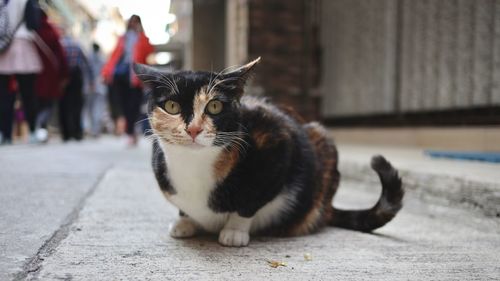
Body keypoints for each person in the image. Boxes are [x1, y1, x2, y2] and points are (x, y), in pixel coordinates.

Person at [102, 15, 154, 146]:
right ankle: (129, 132)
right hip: (120, 75)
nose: (133, 24)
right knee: (123, 105)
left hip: (135, 77)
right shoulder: (122, 38)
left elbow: (149, 51)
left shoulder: (143, 38)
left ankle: (130, 131)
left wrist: (141, 35)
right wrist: (105, 72)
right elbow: (114, 56)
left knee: (134, 106)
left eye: (136, 22)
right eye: (132, 22)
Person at [0, 0, 42, 144]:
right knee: (28, 94)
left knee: (4, 96)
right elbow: (33, 24)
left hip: (4, 48)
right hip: (22, 44)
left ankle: (4, 134)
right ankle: (32, 131)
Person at [34, 11, 68, 142]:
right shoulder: (51, 31)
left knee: (37, 104)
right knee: (48, 105)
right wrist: (64, 75)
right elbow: (61, 55)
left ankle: (37, 128)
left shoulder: (31, 32)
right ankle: (40, 126)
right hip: (50, 76)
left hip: (34, 76)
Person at [59, 30, 93, 141]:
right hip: (76, 77)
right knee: (77, 105)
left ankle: (66, 134)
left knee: (64, 105)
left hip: (63, 76)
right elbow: (87, 64)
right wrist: (91, 80)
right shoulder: (77, 46)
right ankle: (77, 133)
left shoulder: (61, 45)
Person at [84, 42, 107, 137]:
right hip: (100, 88)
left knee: (88, 109)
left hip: (88, 87)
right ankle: (95, 130)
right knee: (98, 109)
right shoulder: (102, 60)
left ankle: (88, 128)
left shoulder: (88, 58)